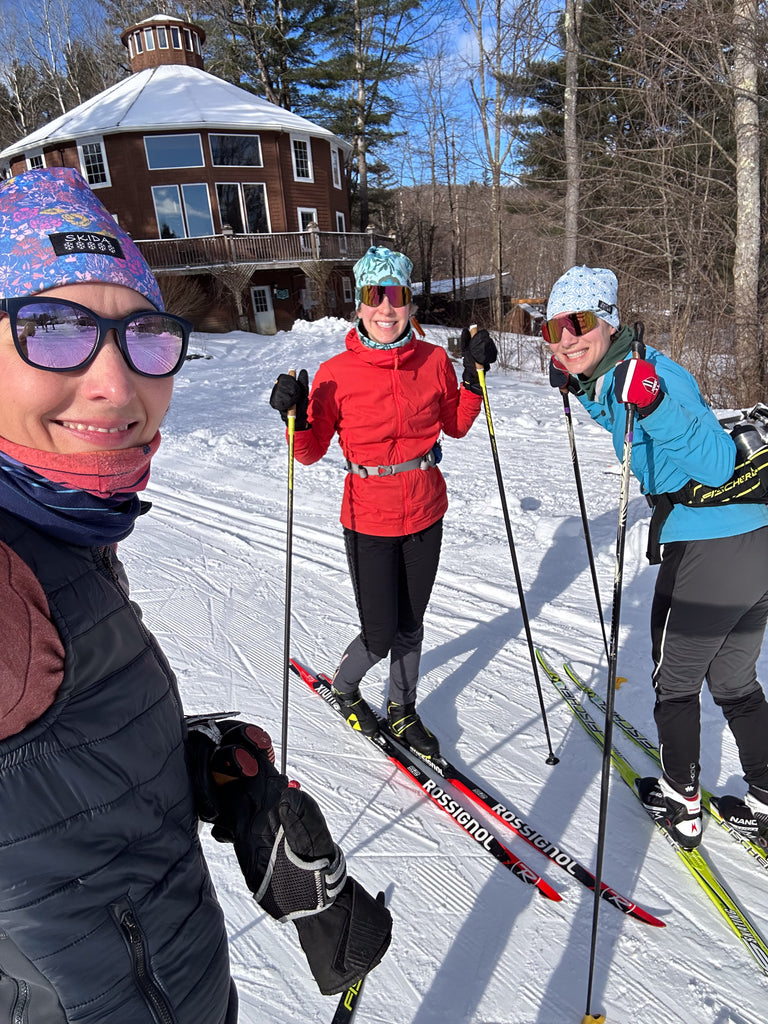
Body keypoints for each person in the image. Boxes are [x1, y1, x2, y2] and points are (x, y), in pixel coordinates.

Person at [0, 167, 390, 1023]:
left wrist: (195, 769)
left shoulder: (61, 528)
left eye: (142, 334)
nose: (114, 381)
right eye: (53, 329)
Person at [544, 264, 768, 850]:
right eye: (554, 328)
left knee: (674, 682)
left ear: (608, 320)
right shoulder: (616, 372)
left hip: (710, 544)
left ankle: (680, 802)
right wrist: (584, 389)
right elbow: (631, 424)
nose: (566, 337)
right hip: (752, 542)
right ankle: (767, 801)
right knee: (735, 680)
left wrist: (655, 398)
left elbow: (716, 462)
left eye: (579, 322)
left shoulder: (654, 374)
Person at [270, 246, 497, 757]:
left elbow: (456, 425)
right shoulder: (334, 373)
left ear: (410, 303)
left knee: (411, 624)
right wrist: (296, 417)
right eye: (375, 296)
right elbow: (307, 455)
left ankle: (402, 709)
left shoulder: (434, 360)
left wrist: (472, 379)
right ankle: (346, 687)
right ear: (359, 305)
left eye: (396, 295)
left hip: (424, 511)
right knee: (379, 633)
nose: (386, 308)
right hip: (368, 517)